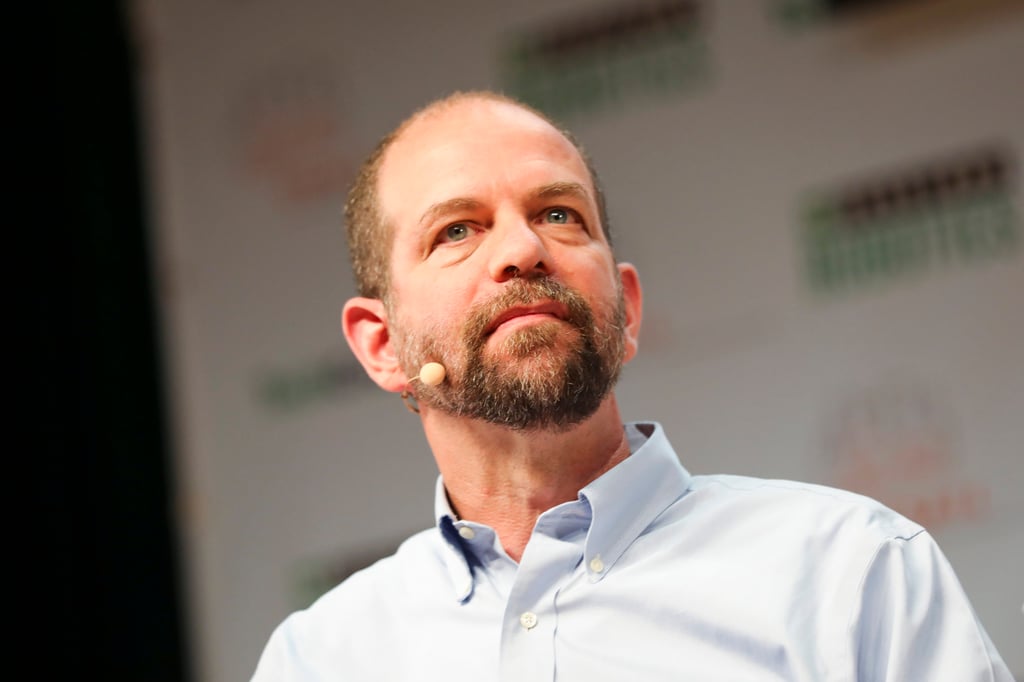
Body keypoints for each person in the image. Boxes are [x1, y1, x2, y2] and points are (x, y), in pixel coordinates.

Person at [252, 91, 1013, 681]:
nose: (523, 249)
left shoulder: (852, 572)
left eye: (559, 214)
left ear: (628, 311)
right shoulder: (320, 659)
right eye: (457, 229)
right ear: (380, 345)